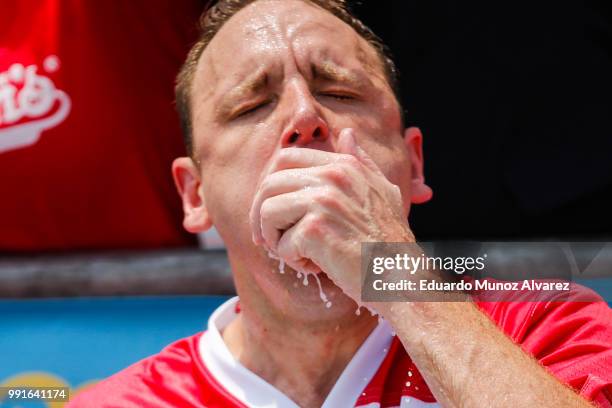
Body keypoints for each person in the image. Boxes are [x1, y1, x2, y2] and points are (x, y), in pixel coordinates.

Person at [69, 0, 612, 407]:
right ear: (195, 195)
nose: (305, 117)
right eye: (252, 105)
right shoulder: (117, 402)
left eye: (341, 93)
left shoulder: (548, 324)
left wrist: (395, 276)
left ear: (414, 165)